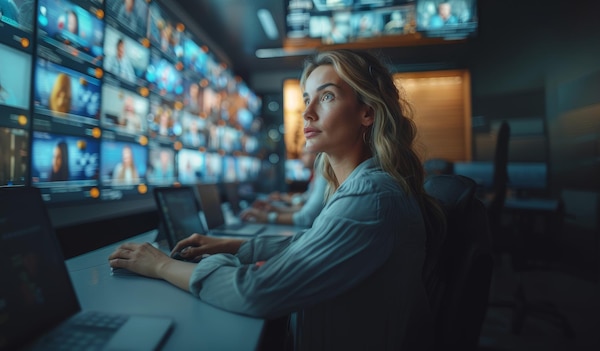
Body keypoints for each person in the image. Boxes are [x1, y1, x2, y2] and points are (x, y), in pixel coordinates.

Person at [108, 49, 445, 350]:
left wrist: (163, 265)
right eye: (307, 98)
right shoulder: (365, 187)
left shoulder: (372, 197)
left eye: (326, 97)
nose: (307, 113)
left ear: (367, 113)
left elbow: (255, 291)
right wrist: (231, 246)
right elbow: (314, 242)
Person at [239, 146, 325, 227]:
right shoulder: (317, 177)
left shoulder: (323, 176)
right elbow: (304, 205)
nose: (301, 158)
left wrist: (268, 217)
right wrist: (275, 209)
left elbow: (305, 215)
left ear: (316, 155)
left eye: (304, 154)